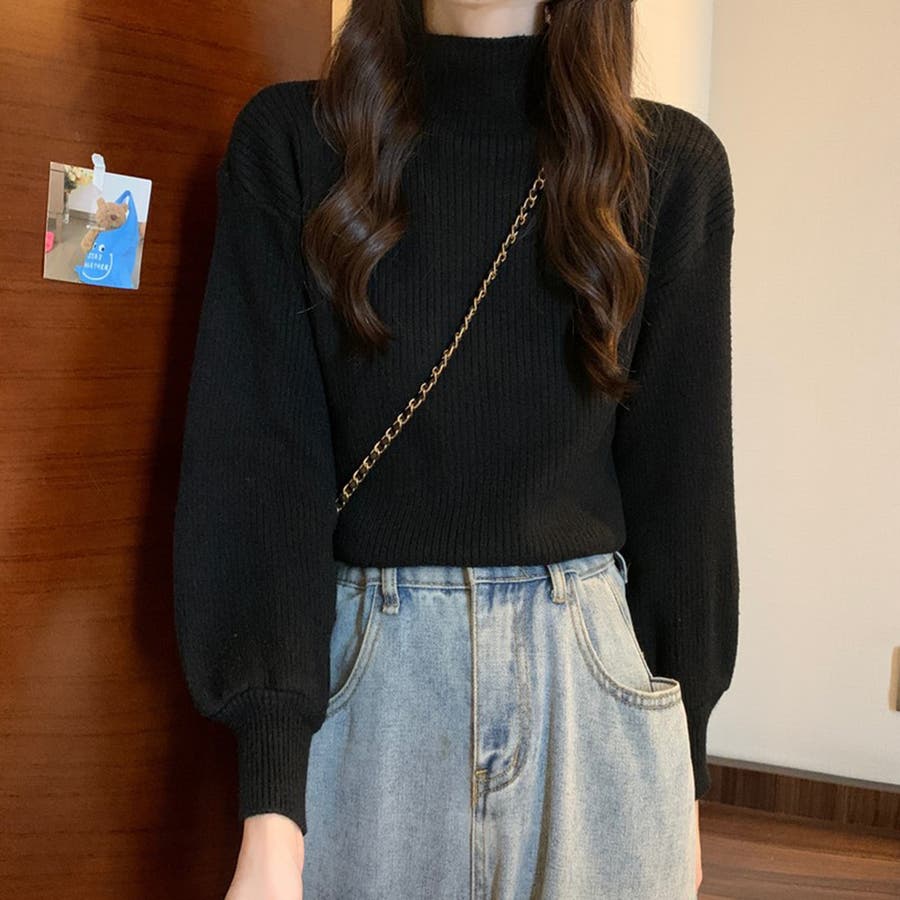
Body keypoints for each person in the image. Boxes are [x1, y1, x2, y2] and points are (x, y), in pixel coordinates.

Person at [172, 0, 739, 897]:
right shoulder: (294, 146)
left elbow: (685, 492)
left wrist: (682, 767)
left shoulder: (670, 169)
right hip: (368, 696)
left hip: (594, 701)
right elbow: (263, 474)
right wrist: (271, 806)